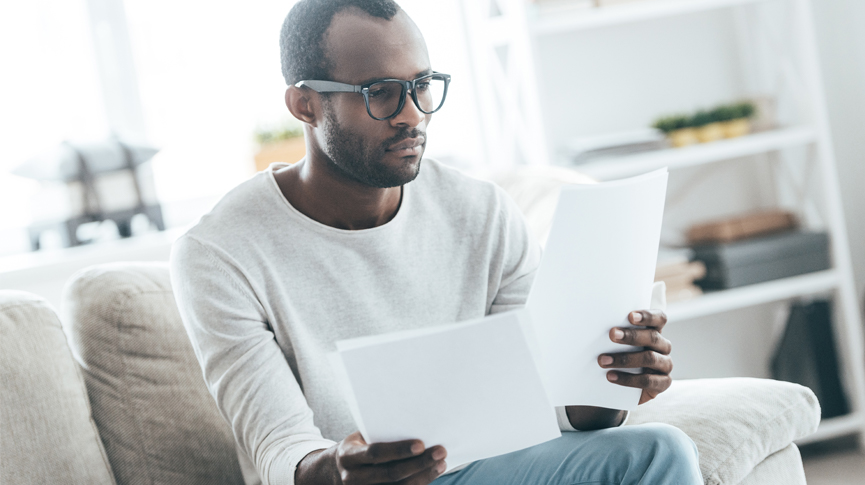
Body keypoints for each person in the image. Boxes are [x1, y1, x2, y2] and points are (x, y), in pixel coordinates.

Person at [170, 1, 704, 484]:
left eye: (422, 84)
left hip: (484, 469)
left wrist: (611, 383)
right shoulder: (218, 254)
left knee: (659, 451)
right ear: (305, 105)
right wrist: (339, 469)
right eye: (380, 93)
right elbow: (281, 449)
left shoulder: (482, 211)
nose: (412, 114)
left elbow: (550, 406)